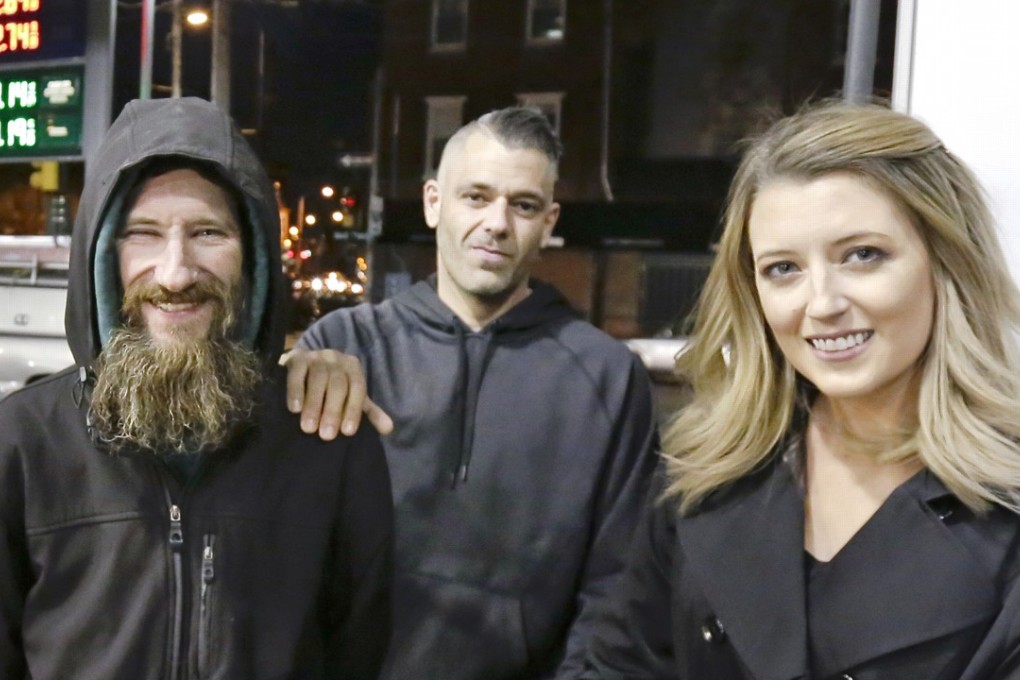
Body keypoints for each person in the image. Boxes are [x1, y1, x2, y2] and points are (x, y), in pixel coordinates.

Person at [582, 100, 1020, 679]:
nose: (822, 304)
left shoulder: (1007, 498)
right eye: (783, 269)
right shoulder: (706, 469)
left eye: (862, 255)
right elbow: (621, 664)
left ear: (946, 263)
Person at [0, 97, 394, 678]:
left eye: (208, 232)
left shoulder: (328, 441)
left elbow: (358, 654)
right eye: (143, 234)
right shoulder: (22, 440)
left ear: (253, 258)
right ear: (103, 254)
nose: (176, 273)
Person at [287, 106, 658, 679]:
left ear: (549, 223)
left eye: (523, 205)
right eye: (476, 197)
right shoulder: (341, 349)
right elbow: (282, 553)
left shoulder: (608, 377)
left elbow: (618, 588)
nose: (497, 223)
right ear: (434, 202)